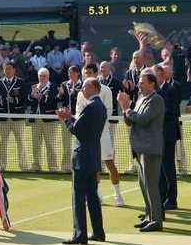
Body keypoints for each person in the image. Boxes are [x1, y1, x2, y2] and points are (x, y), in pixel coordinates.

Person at [56, 77, 107, 244]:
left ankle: (80, 235)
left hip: (82, 158)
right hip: (92, 157)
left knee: (78, 197)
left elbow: (76, 130)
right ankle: (98, 232)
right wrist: (71, 117)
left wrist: (66, 119)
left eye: (84, 87)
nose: (82, 90)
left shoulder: (91, 107)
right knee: (92, 196)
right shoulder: (100, 107)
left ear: (93, 87)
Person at [117, 69, 165, 232]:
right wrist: (125, 109)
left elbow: (143, 119)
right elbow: (130, 121)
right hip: (139, 148)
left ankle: (156, 220)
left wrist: (126, 108)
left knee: (151, 185)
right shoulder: (141, 98)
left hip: (150, 149)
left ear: (152, 84)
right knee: (143, 184)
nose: (139, 85)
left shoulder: (156, 100)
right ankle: (149, 216)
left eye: (142, 82)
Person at [83, 63, 123, 206]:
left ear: (95, 73)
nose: (87, 75)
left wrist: (91, 120)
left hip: (103, 132)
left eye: (89, 73)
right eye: (85, 73)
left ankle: (118, 195)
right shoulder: (82, 91)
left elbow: (108, 111)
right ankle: (97, 195)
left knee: (110, 164)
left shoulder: (106, 90)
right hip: (88, 136)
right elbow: (78, 112)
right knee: (93, 167)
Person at [0, 62, 28, 171]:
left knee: (21, 141)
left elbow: (25, 99)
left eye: (9, 69)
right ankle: (2, 165)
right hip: (3, 118)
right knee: (3, 142)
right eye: (5, 69)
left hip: (17, 117)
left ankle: (24, 166)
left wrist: (14, 100)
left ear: (14, 70)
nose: (7, 71)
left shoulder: (21, 82)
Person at [155, 64, 181, 210]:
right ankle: (162, 198)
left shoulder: (170, 90)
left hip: (168, 135)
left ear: (161, 76)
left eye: (155, 75)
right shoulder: (154, 92)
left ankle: (172, 200)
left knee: (168, 167)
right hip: (156, 136)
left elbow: (171, 112)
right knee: (159, 169)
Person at [29, 67, 59, 172]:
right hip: (36, 119)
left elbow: (52, 100)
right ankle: (36, 165)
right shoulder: (34, 86)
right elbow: (29, 101)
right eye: (40, 76)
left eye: (44, 76)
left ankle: (53, 167)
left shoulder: (53, 87)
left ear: (48, 76)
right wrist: (32, 95)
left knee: (50, 143)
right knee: (36, 144)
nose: (42, 78)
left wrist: (40, 96)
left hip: (48, 119)